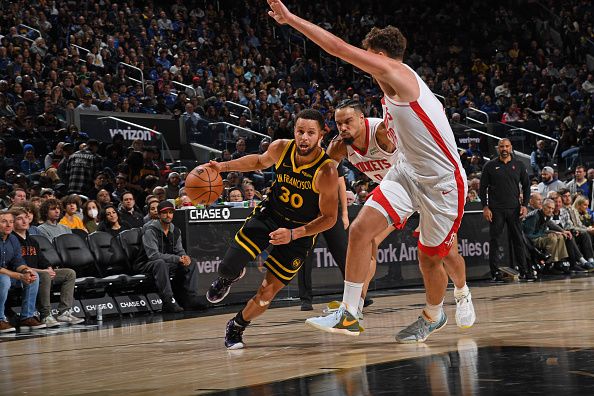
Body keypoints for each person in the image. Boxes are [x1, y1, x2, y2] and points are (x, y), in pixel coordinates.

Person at [268, 1, 473, 342]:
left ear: (378, 54)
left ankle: (438, 311)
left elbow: (336, 48)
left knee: (431, 256)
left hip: (442, 183)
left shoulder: (397, 76)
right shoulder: (390, 86)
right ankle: (350, 314)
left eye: (368, 56)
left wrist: (290, 19)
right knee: (361, 230)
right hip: (408, 171)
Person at [204, 109, 338, 349]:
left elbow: (329, 218)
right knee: (226, 267)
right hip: (271, 216)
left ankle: (236, 325)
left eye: (310, 133)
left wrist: (294, 234)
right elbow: (257, 161)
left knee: (267, 293)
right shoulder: (280, 148)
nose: (304, 138)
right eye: (300, 131)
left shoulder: (326, 170)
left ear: (321, 135)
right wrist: (222, 167)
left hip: (299, 233)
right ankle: (229, 277)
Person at [11, 207, 84, 327]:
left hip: (39, 273)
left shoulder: (32, 240)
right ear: (13, 223)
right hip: (23, 275)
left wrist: (49, 268)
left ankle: (64, 312)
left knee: (69, 273)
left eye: (26, 217)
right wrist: (44, 271)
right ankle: (45, 315)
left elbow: (42, 259)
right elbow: (18, 266)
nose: (25, 221)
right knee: (44, 275)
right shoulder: (12, 241)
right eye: (19, 219)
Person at [479, 138, 533, 281]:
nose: (504, 149)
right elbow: (482, 188)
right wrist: (485, 207)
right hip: (496, 210)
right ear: (498, 148)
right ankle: (495, 273)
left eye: (507, 146)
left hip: (514, 209)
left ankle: (524, 271)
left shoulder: (519, 165)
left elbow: (527, 186)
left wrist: (525, 205)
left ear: (511, 147)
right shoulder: (490, 166)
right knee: (495, 241)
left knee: (518, 241)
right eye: (501, 146)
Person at [133, 201, 200, 313]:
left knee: (192, 262)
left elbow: (179, 250)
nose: (168, 215)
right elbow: (153, 256)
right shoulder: (150, 230)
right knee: (160, 263)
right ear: (158, 215)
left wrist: (184, 257)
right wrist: (177, 259)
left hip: (165, 263)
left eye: (170, 212)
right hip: (145, 263)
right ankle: (168, 300)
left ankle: (190, 299)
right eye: (164, 213)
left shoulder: (176, 230)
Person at [0, 211, 45, 332]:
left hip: (9, 275)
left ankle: (27, 317)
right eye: (4, 222)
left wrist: (26, 270)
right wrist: (19, 276)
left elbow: (18, 261)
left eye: (11, 222)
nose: (8, 225)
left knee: (33, 275)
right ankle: (0, 319)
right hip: (3, 276)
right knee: (4, 280)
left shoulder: (13, 239)